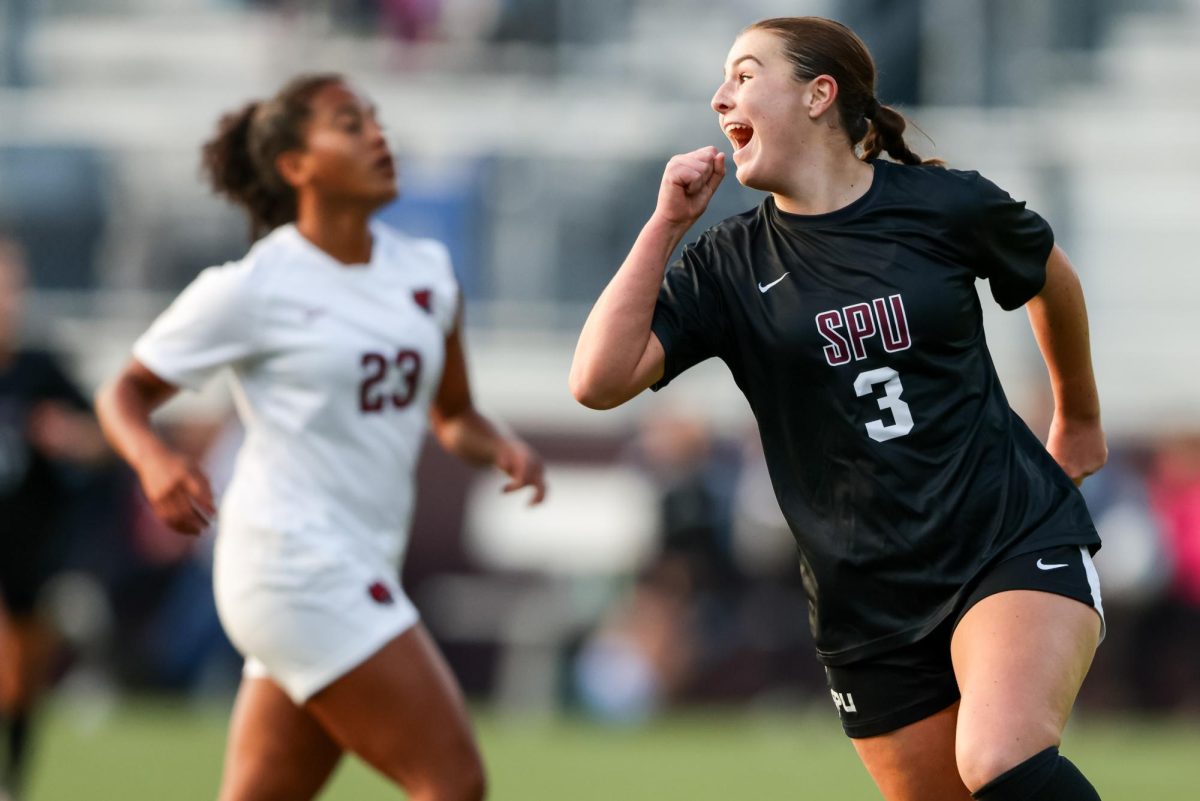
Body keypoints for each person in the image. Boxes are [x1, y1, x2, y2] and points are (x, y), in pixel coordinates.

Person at [570, 16, 1106, 801]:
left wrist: (1079, 415)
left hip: (1007, 538)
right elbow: (598, 380)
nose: (721, 97)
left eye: (746, 74)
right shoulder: (728, 262)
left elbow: (1048, 271)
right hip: (865, 601)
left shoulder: (941, 204)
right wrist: (665, 226)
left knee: (999, 758)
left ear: (820, 94)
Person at [95, 74, 546, 801]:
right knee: (452, 781)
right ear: (295, 167)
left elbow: (453, 414)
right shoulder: (254, 285)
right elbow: (122, 392)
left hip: (352, 562)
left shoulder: (426, 274)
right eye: (349, 123)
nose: (377, 135)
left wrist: (499, 447)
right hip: (294, 561)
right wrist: (154, 461)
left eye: (376, 118)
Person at [0, 238, 109, 800]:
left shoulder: (41, 370)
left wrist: (68, 438)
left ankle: (14, 783)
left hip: (30, 548)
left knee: (20, 680)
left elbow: (101, 439)